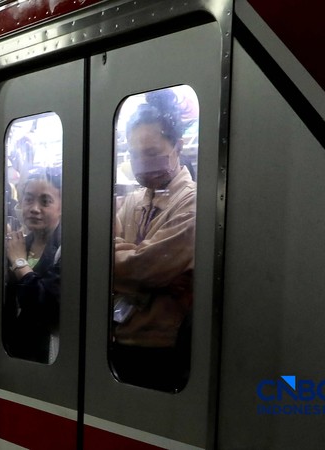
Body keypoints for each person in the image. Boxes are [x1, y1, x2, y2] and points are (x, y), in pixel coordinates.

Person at [110, 89, 196, 392]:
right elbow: (97, 255)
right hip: (120, 339)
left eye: (151, 153)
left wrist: (133, 268)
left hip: (162, 349)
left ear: (178, 147)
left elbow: (143, 268)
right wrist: (151, 275)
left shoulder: (192, 203)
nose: (141, 163)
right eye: (134, 154)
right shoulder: (134, 200)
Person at [3, 168, 62, 363]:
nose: (34, 208)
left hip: (46, 357)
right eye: (28, 199)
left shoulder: (66, 249)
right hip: (14, 351)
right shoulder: (19, 244)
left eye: (45, 201)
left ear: (61, 206)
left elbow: (46, 308)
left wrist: (19, 263)